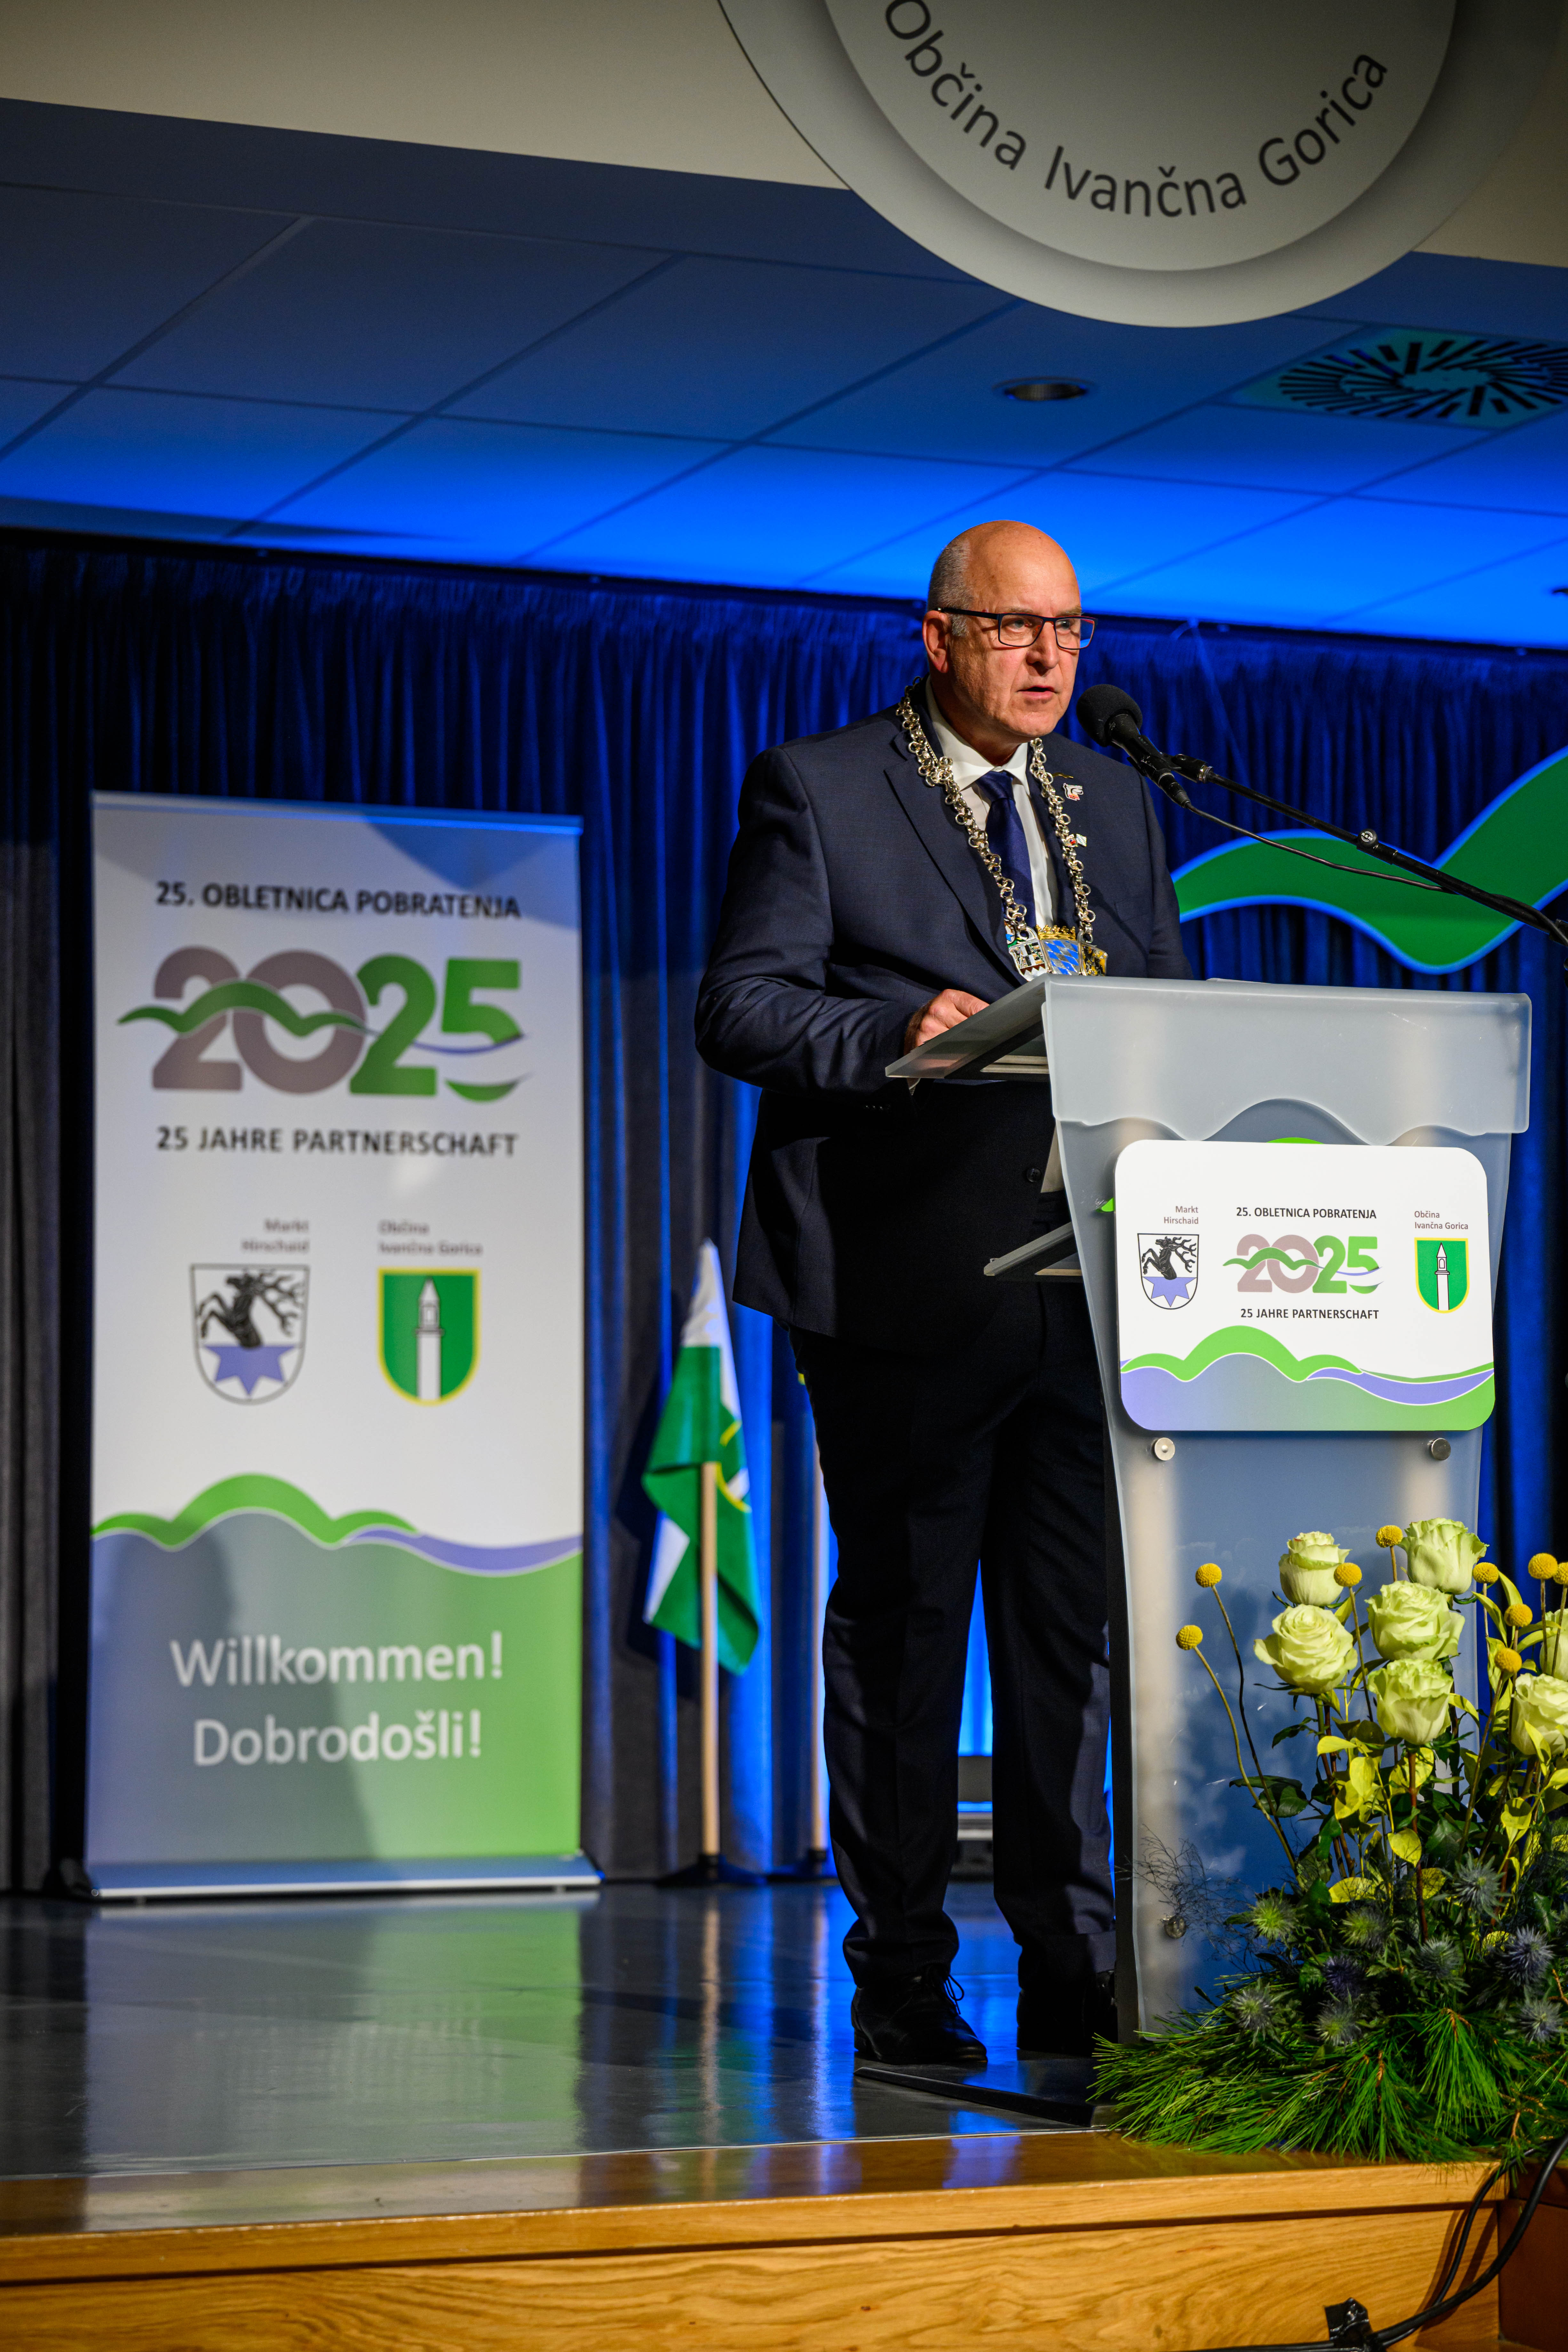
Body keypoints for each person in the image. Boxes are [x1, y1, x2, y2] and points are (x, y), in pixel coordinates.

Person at [696, 520, 1191, 2066]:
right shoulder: (821, 785)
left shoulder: (1111, 797)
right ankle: (902, 1973)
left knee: (1065, 1644)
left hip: (1082, 1281)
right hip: (901, 1285)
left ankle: (1070, 1961)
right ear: (939, 635)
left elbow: (1167, 1014)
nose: (1049, 656)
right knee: (907, 1636)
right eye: (1015, 627)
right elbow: (740, 1004)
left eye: (1069, 629)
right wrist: (894, 1032)